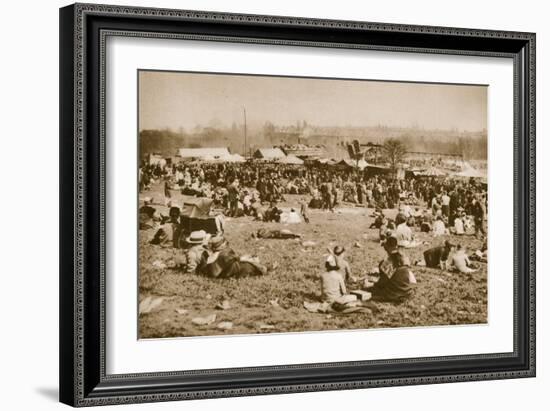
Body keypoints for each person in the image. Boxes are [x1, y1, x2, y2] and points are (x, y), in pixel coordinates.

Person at [369, 237, 416, 303]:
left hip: (394, 294)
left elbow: (382, 283)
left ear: (386, 248)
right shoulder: (405, 258)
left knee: (372, 291)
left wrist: (374, 284)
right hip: (407, 292)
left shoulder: (385, 263)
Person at [199, 236, 267, 278]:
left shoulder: (211, 255)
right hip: (227, 273)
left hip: (223, 271)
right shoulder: (224, 255)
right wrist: (251, 260)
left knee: (245, 262)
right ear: (222, 246)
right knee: (248, 266)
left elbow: (236, 258)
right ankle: (265, 268)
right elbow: (239, 259)